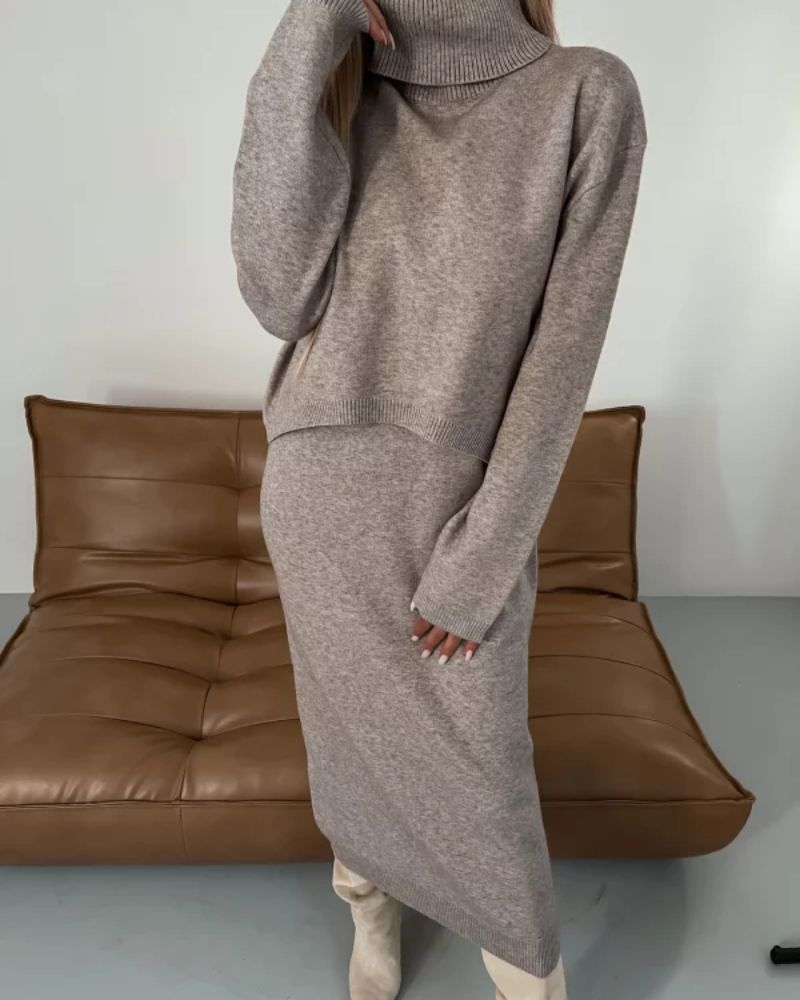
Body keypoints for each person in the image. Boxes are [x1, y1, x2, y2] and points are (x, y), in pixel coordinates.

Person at [231, 0, 647, 995]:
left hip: (452, 514)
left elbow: (560, 359)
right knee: (347, 745)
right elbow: (276, 296)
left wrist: (483, 557)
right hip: (317, 498)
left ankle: (527, 975)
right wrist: (310, 27)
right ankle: (367, 908)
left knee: (482, 782)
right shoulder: (345, 87)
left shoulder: (584, 91)